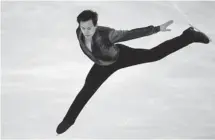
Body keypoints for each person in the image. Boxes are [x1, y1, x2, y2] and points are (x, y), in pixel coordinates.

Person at [56, 9, 210, 134]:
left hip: (121, 57)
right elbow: (85, 38)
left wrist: (156, 29)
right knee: (86, 90)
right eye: (83, 27)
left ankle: (189, 36)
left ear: (96, 26)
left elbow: (130, 34)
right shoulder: (79, 32)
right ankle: (68, 120)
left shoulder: (107, 34)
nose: (86, 31)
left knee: (154, 55)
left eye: (89, 27)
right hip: (102, 65)